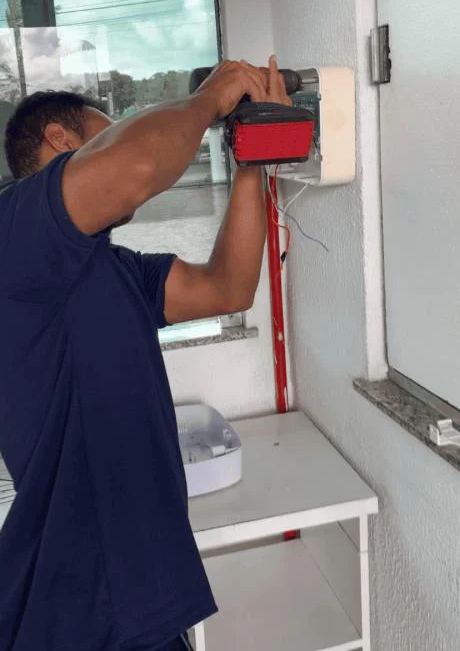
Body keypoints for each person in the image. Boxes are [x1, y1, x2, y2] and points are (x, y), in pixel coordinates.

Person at [0, 57, 291, 651]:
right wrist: (207, 100)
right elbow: (136, 166)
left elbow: (228, 287)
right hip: (75, 602)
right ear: (60, 140)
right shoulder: (12, 235)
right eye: (106, 131)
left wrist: (251, 159)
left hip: (137, 591)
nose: (124, 141)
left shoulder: (114, 266)